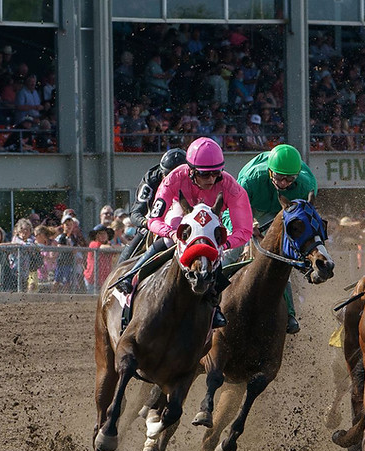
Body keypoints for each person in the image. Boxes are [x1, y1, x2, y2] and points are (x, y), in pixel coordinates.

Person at [114, 138, 252, 329]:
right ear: (191, 170)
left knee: (214, 247)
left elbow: (244, 230)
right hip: (182, 209)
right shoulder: (173, 178)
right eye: (205, 174)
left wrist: (224, 244)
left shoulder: (231, 187)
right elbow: (154, 219)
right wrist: (171, 234)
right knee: (171, 237)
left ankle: (214, 304)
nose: (211, 180)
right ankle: (131, 275)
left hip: (210, 216)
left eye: (216, 174)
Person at [226, 144, 317, 334]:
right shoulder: (250, 180)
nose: (283, 183)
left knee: (280, 258)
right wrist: (247, 224)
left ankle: (289, 313)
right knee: (232, 251)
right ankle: (209, 297)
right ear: (269, 172)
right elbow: (230, 212)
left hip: (280, 212)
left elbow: (303, 221)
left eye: (290, 179)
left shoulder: (306, 186)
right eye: (279, 177)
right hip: (249, 208)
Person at [121, 147, 188, 263]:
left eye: (179, 176)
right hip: (154, 222)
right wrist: (147, 223)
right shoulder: (151, 180)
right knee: (123, 260)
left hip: (183, 221)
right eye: (168, 175)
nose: (172, 180)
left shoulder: (196, 178)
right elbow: (135, 213)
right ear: (162, 173)